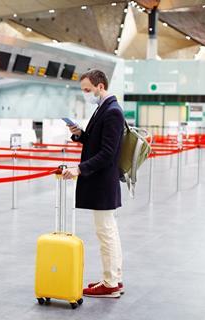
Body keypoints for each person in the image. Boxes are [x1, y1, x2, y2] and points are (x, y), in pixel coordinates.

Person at [62, 69, 125, 298]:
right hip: (102, 181)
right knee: (108, 232)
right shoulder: (104, 109)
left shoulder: (112, 112)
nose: (85, 94)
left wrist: (79, 169)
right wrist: (80, 134)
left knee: (105, 233)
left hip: (103, 182)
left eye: (87, 90)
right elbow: (97, 144)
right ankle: (114, 279)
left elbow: (108, 153)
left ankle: (110, 283)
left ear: (100, 86)